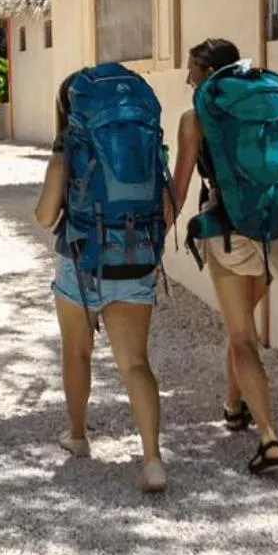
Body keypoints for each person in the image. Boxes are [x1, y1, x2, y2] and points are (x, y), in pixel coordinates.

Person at [170, 37, 278, 476]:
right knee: (245, 326)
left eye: (191, 71)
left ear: (206, 73)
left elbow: (179, 190)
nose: (188, 79)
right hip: (275, 230)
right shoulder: (268, 103)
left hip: (229, 234)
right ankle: (234, 406)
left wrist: (156, 232)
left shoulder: (195, 117)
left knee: (241, 337)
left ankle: (269, 437)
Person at [35, 71, 173, 494]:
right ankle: (152, 458)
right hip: (135, 257)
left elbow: (45, 215)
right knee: (135, 364)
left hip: (80, 261)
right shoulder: (144, 142)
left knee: (77, 352)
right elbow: (165, 205)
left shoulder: (68, 145)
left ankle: (78, 435)